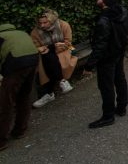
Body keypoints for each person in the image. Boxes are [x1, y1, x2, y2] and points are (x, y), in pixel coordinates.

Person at [82, 0, 128, 129]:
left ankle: (108, 116)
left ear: (105, 2)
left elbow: (100, 45)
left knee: (106, 86)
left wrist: (89, 65)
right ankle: (121, 107)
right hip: (119, 51)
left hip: (107, 57)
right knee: (120, 79)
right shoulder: (123, 12)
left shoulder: (104, 20)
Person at [0, 23, 40, 152]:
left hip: (15, 64)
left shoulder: (1, 37)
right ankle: (20, 130)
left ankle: (1, 140)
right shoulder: (21, 32)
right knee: (24, 95)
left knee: (6, 101)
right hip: (33, 60)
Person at [29, 10, 75, 109]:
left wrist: (51, 48)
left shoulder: (63, 25)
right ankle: (62, 81)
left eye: (45, 22)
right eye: (40, 22)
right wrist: (44, 48)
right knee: (48, 57)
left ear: (52, 20)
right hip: (48, 55)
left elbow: (68, 42)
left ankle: (49, 93)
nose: (42, 25)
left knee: (49, 57)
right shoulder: (35, 32)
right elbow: (36, 47)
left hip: (67, 49)